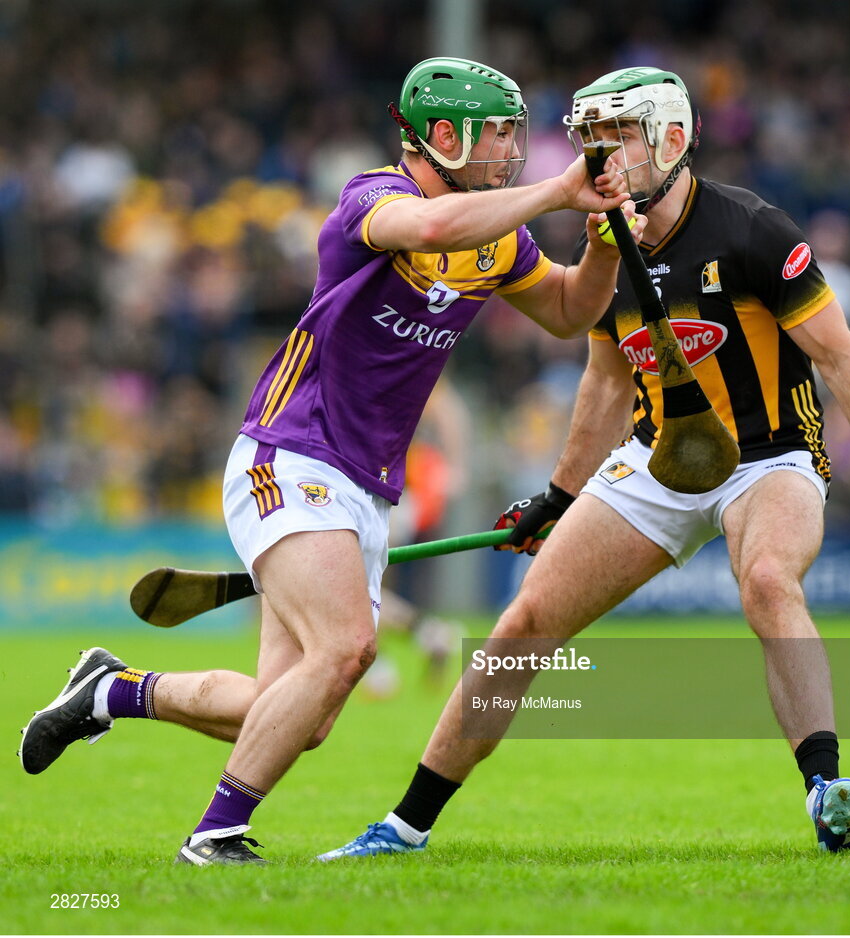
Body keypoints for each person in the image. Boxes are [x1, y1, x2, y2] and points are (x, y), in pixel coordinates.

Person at [318, 66, 850, 861]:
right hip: (656, 458)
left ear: (672, 139)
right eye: (591, 137)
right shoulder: (605, 239)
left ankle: (824, 790)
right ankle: (405, 827)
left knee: (768, 580)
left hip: (770, 455)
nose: (602, 153)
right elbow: (603, 381)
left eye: (620, 134)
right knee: (523, 624)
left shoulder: (751, 230)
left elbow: (843, 358)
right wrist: (558, 496)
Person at [18, 57, 642, 865]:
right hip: (290, 452)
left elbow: (567, 312)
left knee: (296, 716)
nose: (512, 152)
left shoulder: (499, 238)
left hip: (364, 483)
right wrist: (560, 193)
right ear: (443, 137)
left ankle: (109, 690)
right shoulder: (373, 200)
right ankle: (215, 836)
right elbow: (428, 231)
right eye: (497, 135)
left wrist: (599, 245)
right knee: (348, 649)